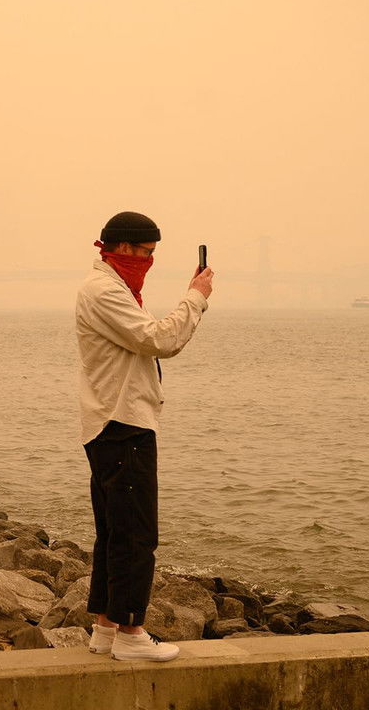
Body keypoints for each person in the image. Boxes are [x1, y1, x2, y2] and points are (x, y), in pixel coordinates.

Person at [75, 211, 214, 662]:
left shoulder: (115, 289)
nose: (150, 262)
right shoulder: (105, 291)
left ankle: (106, 628)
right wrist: (195, 297)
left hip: (110, 422)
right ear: (125, 249)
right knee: (135, 534)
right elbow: (159, 340)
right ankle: (132, 634)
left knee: (114, 532)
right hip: (123, 421)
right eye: (148, 253)